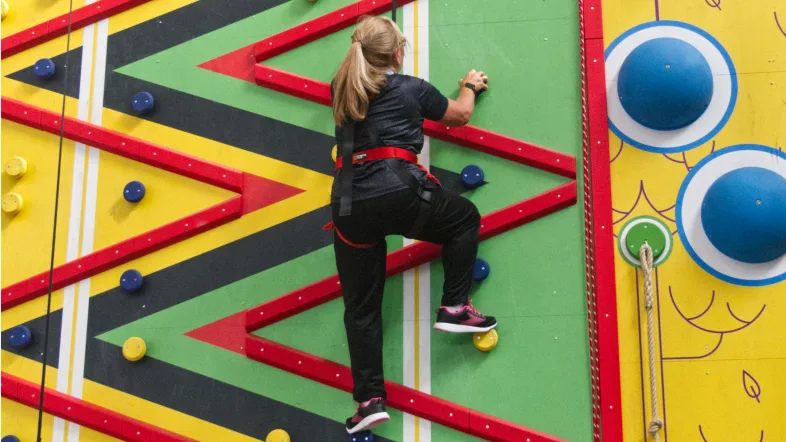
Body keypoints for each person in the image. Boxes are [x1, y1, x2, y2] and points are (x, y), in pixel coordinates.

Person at [328, 15, 497, 434]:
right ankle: (454, 306)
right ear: (398, 54)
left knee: (361, 308)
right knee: (464, 220)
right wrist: (470, 85)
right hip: (398, 190)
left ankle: (368, 400)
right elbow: (459, 115)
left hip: (349, 205)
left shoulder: (341, 87)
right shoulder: (411, 88)